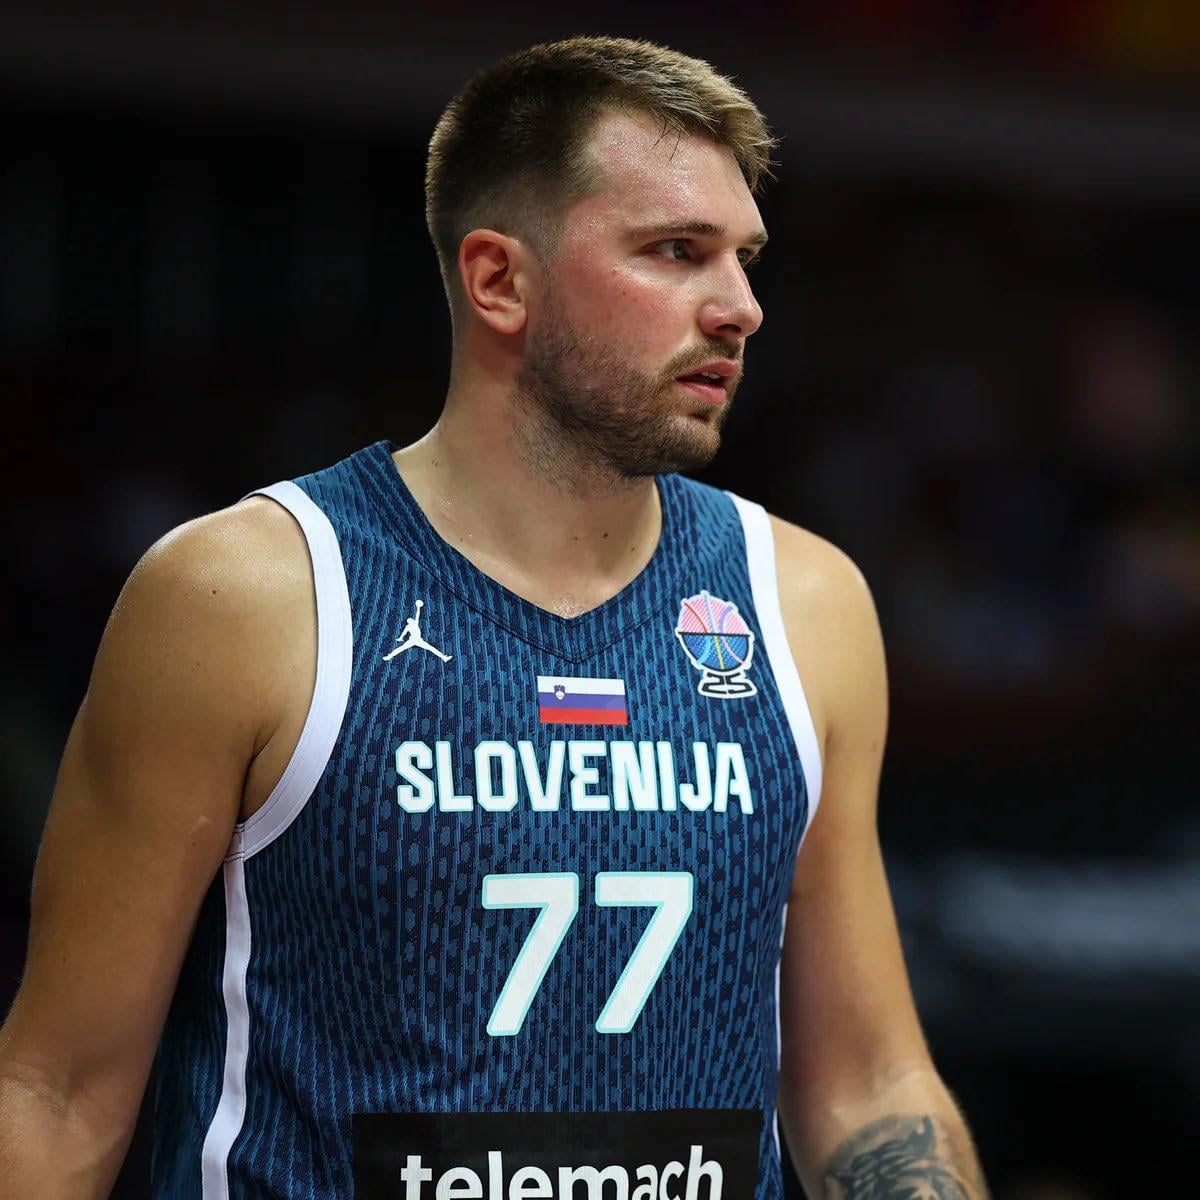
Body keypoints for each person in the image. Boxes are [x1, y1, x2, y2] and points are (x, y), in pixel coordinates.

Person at [0, 35, 990, 1200]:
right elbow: (56, 1093)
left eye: (743, 258)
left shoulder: (803, 601)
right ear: (499, 281)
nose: (740, 308)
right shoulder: (247, 596)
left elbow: (869, 1083)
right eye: (677, 252)